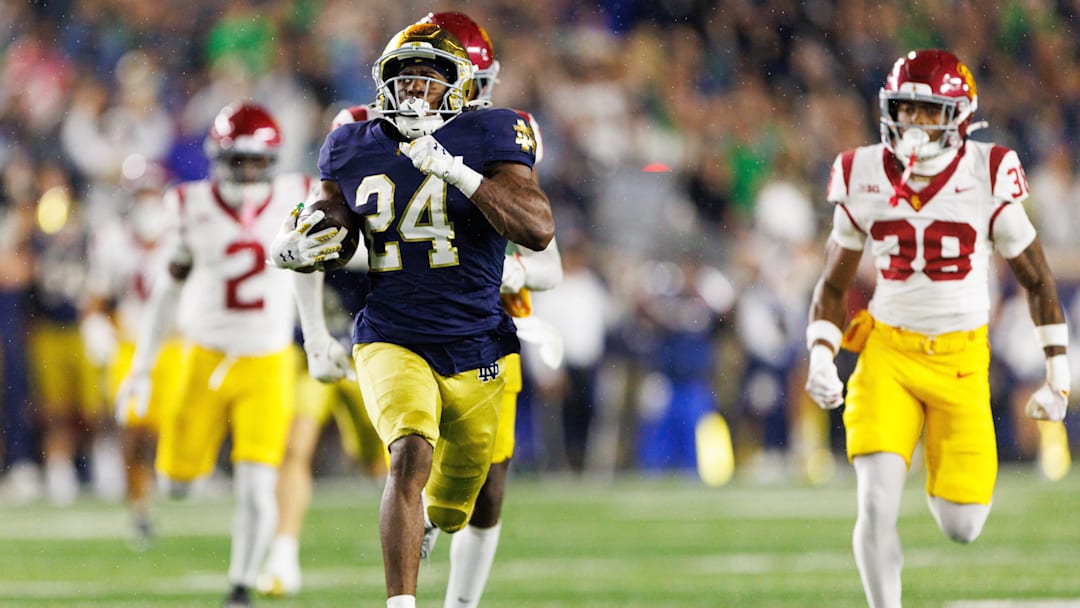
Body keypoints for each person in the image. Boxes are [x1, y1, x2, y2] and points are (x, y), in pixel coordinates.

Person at [271, 22, 554, 608]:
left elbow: (541, 237)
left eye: (430, 80)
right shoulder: (354, 138)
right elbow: (332, 225)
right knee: (409, 453)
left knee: (466, 502)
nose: (415, 92)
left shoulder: (498, 132)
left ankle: (451, 571)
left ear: (462, 86)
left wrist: (456, 171)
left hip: (480, 339)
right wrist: (303, 244)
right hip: (391, 331)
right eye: (405, 79)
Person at [804, 49, 1071, 608]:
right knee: (875, 502)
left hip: (961, 360)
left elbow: (1040, 280)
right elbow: (832, 284)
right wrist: (822, 356)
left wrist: (1057, 376)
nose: (913, 125)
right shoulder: (863, 172)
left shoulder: (987, 171)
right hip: (888, 353)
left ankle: (937, 463)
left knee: (963, 524)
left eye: (928, 113)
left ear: (959, 117)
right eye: (905, 110)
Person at [116, 101, 318, 608]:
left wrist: (316, 337)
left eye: (257, 160)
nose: (248, 170)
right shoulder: (189, 204)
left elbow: (314, 272)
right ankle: (188, 477)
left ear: (272, 159)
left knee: (256, 485)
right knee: (178, 482)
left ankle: (240, 586)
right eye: (239, 159)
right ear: (218, 157)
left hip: (267, 362)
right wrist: (141, 366)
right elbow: (167, 289)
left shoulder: (298, 195)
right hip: (202, 359)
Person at [415, 12, 563, 608]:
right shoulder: (378, 137)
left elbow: (549, 259)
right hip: (412, 324)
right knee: (414, 454)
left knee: (489, 487)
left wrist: (507, 272)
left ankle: (461, 603)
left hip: (488, 330)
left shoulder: (504, 138)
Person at [257, 105, 386, 598]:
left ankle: (413, 526)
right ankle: (283, 555)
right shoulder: (312, 196)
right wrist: (287, 247)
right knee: (296, 446)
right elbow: (286, 241)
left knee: (385, 457)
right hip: (314, 343)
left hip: (373, 344)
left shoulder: (395, 196)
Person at [82, 159, 181, 549]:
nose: (146, 202)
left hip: (174, 343)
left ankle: (173, 483)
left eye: (151, 193)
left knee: (168, 430)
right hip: (131, 343)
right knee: (132, 428)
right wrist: (96, 327)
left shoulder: (181, 235)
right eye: (140, 194)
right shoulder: (110, 239)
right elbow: (95, 297)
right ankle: (140, 508)